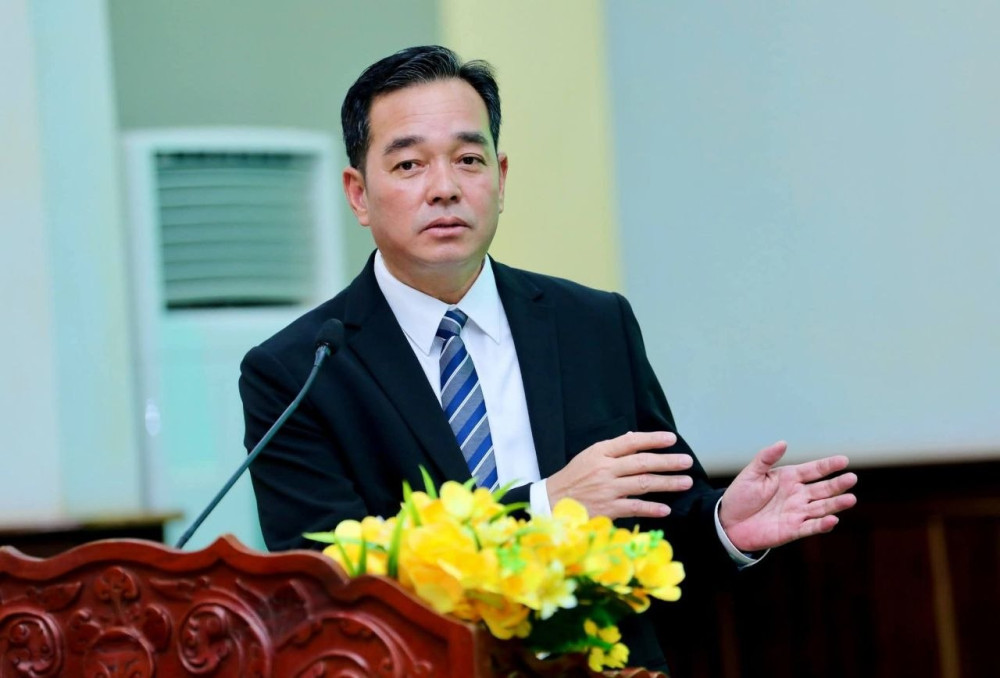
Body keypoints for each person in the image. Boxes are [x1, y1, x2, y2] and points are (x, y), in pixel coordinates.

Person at [239, 45, 857, 672]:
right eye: (409, 164)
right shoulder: (297, 371)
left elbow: (660, 521)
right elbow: (332, 588)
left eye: (469, 159)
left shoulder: (592, 324)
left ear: (501, 178)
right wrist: (543, 506)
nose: (445, 188)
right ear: (359, 194)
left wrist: (723, 526)